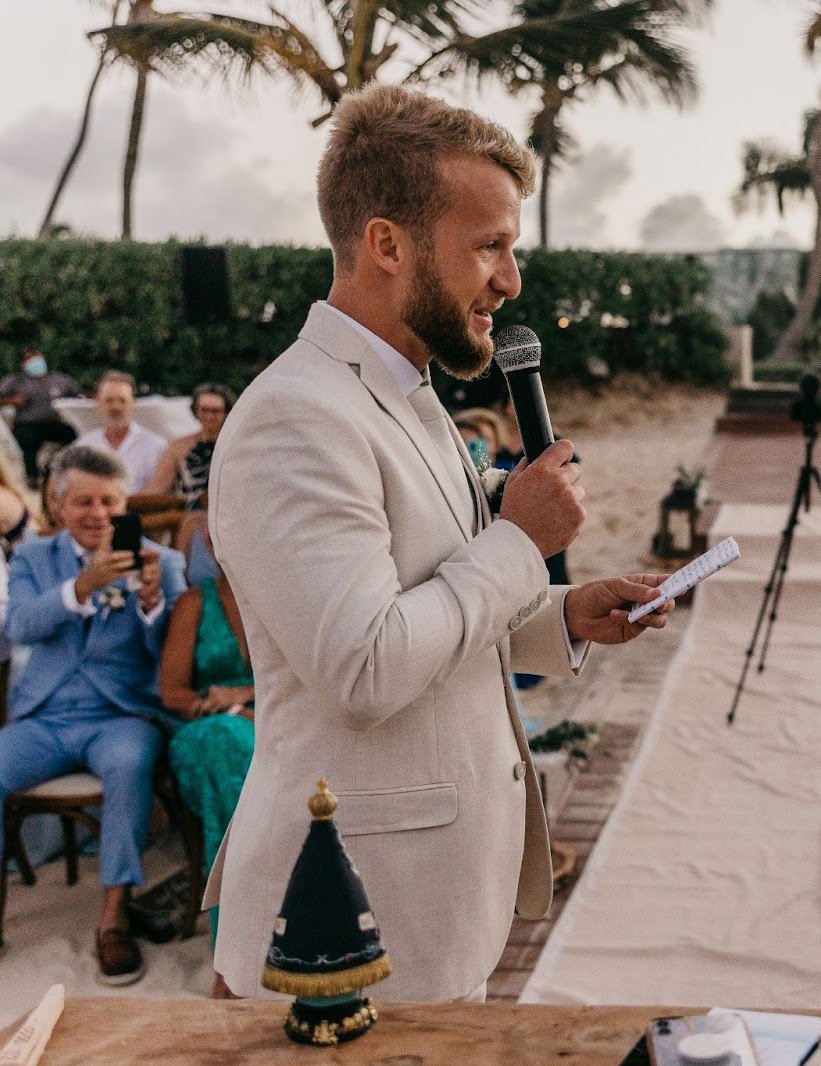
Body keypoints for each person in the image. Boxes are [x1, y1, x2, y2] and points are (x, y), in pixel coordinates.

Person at [204, 85, 676, 1003]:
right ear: (387, 243)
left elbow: (431, 598)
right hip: (347, 930)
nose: (511, 280)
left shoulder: (410, 394)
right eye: (489, 246)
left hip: (435, 904)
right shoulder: (293, 419)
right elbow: (364, 666)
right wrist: (519, 541)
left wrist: (561, 614)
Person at [0, 445, 186, 984]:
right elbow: (20, 628)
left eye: (109, 501)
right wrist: (81, 587)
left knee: (129, 769)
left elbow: (169, 660)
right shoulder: (35, 557)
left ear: (125, 503)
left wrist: (153, 605)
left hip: (121, 715)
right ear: (58, 507)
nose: (97, 514)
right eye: (83, 501)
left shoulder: (160, 561)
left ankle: (112, 919)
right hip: (46, 716)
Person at [157, 560, 253, 998]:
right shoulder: (195, 602)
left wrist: (249, 697)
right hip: (205, 730)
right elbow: (172, 692)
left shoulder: (286, 593)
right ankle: (232, 952)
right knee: (227, 746)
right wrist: (226, 708)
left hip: (276, 723)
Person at [147, 383, 236, 512]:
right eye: (204, 410)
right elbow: (156, 489)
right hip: (189, 519)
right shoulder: (178, 447)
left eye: (215, 411)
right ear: (196, 411)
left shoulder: (237, 447)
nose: (210, 416)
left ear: (226, 412)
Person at [76, 372, 168, 492]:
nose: (116, 407)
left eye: (122, 401)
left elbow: (159, 493)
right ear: (98, 404)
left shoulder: (156, 446)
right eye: (109, 401)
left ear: (133, 404)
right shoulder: (84, 447)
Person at [0, 348, 79, 484]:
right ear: (23, 364)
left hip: (52, 423)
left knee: (73, 434)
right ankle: (32, 477)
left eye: (36, 358)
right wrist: (12, 401)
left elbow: (77, 396)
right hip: (27, 424)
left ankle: (70, 469)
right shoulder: (17, 382)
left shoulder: (60, 380)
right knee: (27, 439)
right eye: (29, 360)